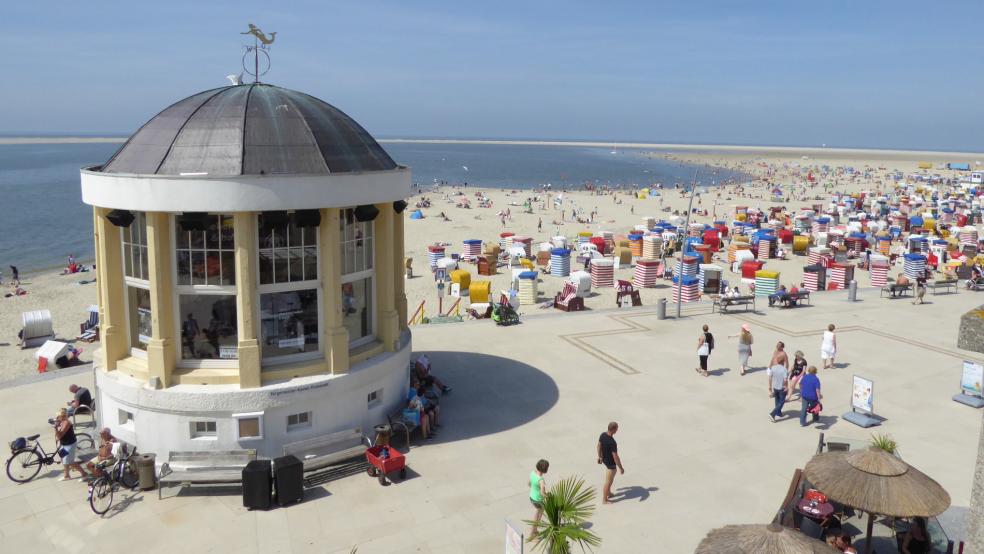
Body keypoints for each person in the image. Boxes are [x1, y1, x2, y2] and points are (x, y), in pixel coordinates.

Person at [53, 409, 89, 481]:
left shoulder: (67, 423)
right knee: (63, 460)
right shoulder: (62, 422)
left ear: (62, 416)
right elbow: (59, 436)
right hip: (64, 444)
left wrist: (56, 428)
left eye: (58, 417)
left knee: (70, 462)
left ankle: (84, 474)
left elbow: (60, 436)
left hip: (70, 445)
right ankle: (66, 476)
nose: (56, 418)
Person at [597, 421, 623, 504]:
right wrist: (621, 468)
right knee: (608, 481)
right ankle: (604, 500)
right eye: (617, 429)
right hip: (610, 463)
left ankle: (609, 493)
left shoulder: (602, 435)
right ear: (613, 429)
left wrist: (600, 456)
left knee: (610, 479)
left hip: (605, 459)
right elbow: (615, 456)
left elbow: (598, 446)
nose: (617, 430)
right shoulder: (612, 442)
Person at [528, 459, 549, 537]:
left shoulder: (532, 473)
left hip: (531, 497)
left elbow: (529, 484)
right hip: (538, 500)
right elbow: (542, 493)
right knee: (538, 516)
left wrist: (534, 488)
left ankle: (535, 530)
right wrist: (548, 496)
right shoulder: (541, 480)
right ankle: (532, 532)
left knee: (537, 514)